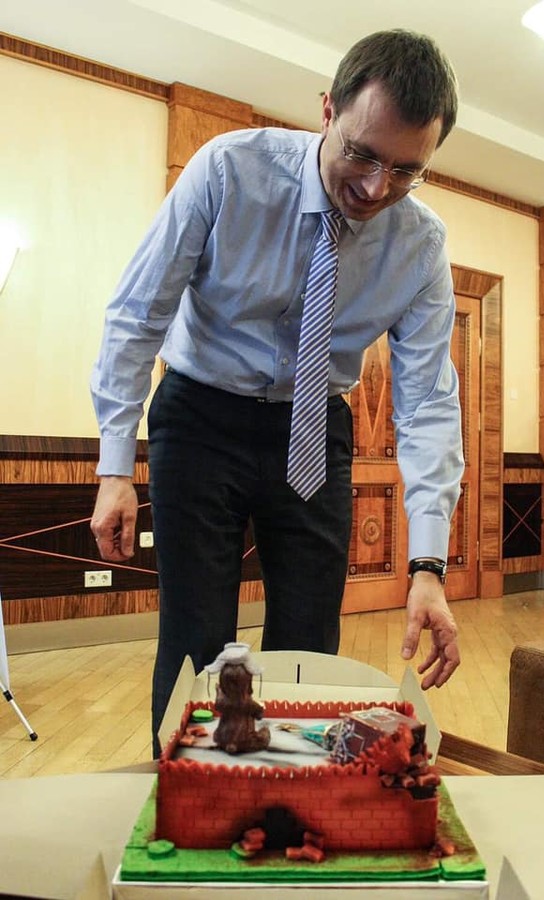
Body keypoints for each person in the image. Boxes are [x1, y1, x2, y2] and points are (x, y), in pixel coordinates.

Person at [90, 28, 464, 758]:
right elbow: (139, 314)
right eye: (362, 154)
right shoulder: (229, 170)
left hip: (314, 424)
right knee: (197, 641)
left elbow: (426, 402)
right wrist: (113, 466)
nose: (375, 189)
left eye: (405, 170)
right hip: (201, 412)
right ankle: (189, 796)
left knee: (310, 640)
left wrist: (428, 567)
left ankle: (290, 799)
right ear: (327, 110)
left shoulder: (420, 246)